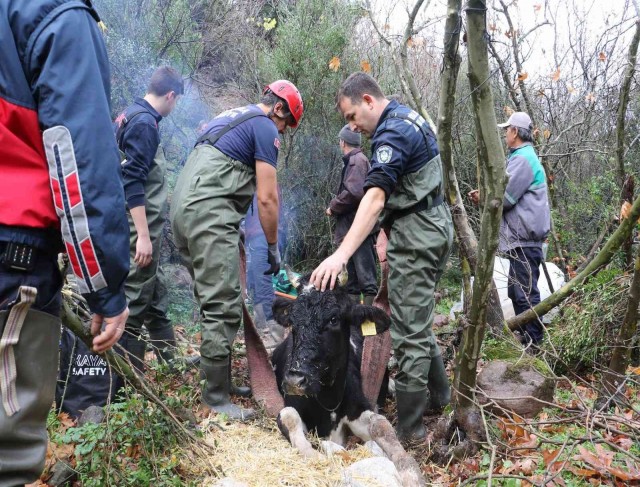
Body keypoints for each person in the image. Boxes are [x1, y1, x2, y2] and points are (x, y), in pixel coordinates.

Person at [0, 1, 129, 484]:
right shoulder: (54, 13)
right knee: (7, 455)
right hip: (13, 258)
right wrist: (106, 290)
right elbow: (80, 169)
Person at [311, 72, 453, 442]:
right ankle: (442, 397)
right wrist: (387, 232)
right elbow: (409, 186)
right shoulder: (406, 118)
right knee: (416, 317)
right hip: (426, 226)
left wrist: (340, 256)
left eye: (352, 116)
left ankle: (410, 430)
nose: (353, 126)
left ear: (369, 101)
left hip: (418, 237)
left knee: (407, 334)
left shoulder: (392, 133)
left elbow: (374, 198)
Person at [171, 80, 303, 420]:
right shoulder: (263, 127)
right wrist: (272, 246)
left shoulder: (229, 117)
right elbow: (268, 198)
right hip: (208, 214)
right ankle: (214, 399)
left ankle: (220, 379)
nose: (283, 133)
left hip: (183, 211)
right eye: (286, 125)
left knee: (209, 295)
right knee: (225, 303)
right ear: (279, 109)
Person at [114, 66, 184, 370]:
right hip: (139, 227)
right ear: (170, 95)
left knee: (155, 296)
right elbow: (132, 181)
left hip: (137, 223)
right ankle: (126, 374)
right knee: (136, 298)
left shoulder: (129, 114)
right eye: (177, 100)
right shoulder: (145, 124)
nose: (175, 105)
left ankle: (172, 363)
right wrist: (142, 235)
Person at [470, 111, 550, 345]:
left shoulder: (523, 159)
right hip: (522, 239)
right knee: (518, 292)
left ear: (515, 132)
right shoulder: (523, 157)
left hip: (525, 238)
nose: (505, 134)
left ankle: (534, 343)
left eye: (507, 130)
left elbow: (505, 198)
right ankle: (528, 338)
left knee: (524, 294)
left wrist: (484, 198)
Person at [326, 124, 378, 305]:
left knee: (366, 279)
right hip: (351, 228)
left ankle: (369, 322)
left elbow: (354, 193)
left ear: (343, 142)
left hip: (359, 229)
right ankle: (355, 323)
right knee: (351, 280)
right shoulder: (356, 160)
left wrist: (333, 207)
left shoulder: (356, 161)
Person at [244, 192, 287, 350]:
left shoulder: (263, 181)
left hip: (264, 237)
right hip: (257, 237)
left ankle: (274, 335)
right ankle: (261, 331)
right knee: (255, 284)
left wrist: (272, 244)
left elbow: (267, 203)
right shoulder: (252, 182)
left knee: (263, 285)